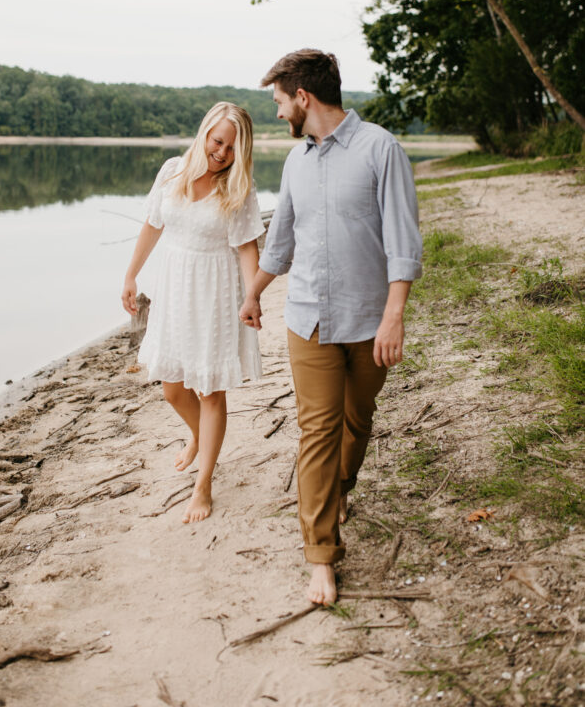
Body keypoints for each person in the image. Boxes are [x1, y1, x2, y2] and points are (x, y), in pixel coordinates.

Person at [239, 50, 422, 605]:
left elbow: (403, 242)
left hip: (369, 320)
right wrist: (253, 292)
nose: (276, 114)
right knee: (317, 430)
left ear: (303, 97)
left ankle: (340, 489)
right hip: (308, 320)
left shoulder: (380, 149)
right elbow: (282, 240)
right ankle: (321, 553)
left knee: (356, 419)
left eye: (278, 101)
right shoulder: (296, 163)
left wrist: (395, 316)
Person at [122, 102, 265, 524]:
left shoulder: (239, 187)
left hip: (215, 291)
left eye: (231, 147)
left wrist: (252, 295)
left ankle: (203, 486)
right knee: (172, 388)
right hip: (174, 286)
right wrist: (131, 274)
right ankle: (199, 438)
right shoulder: (172, 171)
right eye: (217, 141)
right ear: (205, 134)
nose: (221, 152)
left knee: (209, 390)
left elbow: (245, 247)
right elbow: (153, 223)